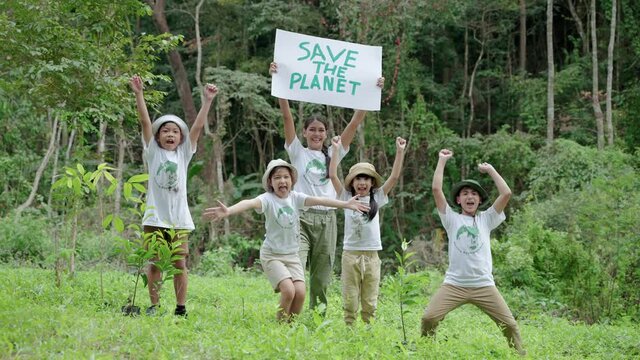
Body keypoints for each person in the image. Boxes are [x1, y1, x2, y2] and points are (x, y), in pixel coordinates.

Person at [269, 62, 384, 313]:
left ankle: (317, 316)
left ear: (326, 133)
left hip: (328, 218)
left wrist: (371, 92)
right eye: (312, 130)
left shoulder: (334, 152)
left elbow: (354, 123)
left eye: (321, 130)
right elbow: (286, 117)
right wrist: (279, 84)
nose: (317, 134)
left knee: (322, 275)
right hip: (300, 216)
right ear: (305, 132)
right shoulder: (297, 151)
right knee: (295, 268)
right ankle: (287, 314)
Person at [202, 159, 369, 322]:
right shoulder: (267, 199)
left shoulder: (296, 198)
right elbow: (249, 203)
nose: (282, 181)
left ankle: (290, 327)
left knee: (300, 293)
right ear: (270, 182)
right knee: (288, 291)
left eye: (286, 177)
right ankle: (281, 328)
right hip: (272, 255)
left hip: (292, 256)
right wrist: (228, 211)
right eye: (277, 178)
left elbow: (320, 200)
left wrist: (346, 204)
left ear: (292, 180)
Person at [421, 149, 526, 355]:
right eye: (465, 194)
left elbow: (506, 193)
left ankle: (520, 355)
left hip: (483, 285)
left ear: (479, 200)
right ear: (458, 200)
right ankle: (427, 352)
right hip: (455, 284)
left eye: (474, 194)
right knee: (429, 318)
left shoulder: (486, 219)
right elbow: (436, 189)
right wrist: (442, 161)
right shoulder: (451, 219)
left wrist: (490, 170)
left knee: (510, 326)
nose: (470, 197)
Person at [130, 75, 218, 317]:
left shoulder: (183, 154)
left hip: (179, 220)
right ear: (158, 137)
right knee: (156, 263)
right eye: (165, 131)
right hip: (155, 219)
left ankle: (180, 308)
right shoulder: (153, 152)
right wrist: (139, 94)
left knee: (180, 264)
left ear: (180, 138)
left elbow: (198, 128)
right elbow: (145, 123)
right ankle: (154, 306)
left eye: (175, 132)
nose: (170, 134)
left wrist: (207, 101)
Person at [329, 135, 406, 325]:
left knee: (370, 298)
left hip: (372, 256)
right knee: (350, 296)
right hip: (350, 255)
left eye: (366, 179)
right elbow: (332, 175)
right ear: (352, 182)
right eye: (358, 179)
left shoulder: (378, 198)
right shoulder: (346, 197)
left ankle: (368, 330)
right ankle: (350, 330)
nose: (362, 182)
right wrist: (336, 150)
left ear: (372, 183)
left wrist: (399, 151)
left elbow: (395, 177)